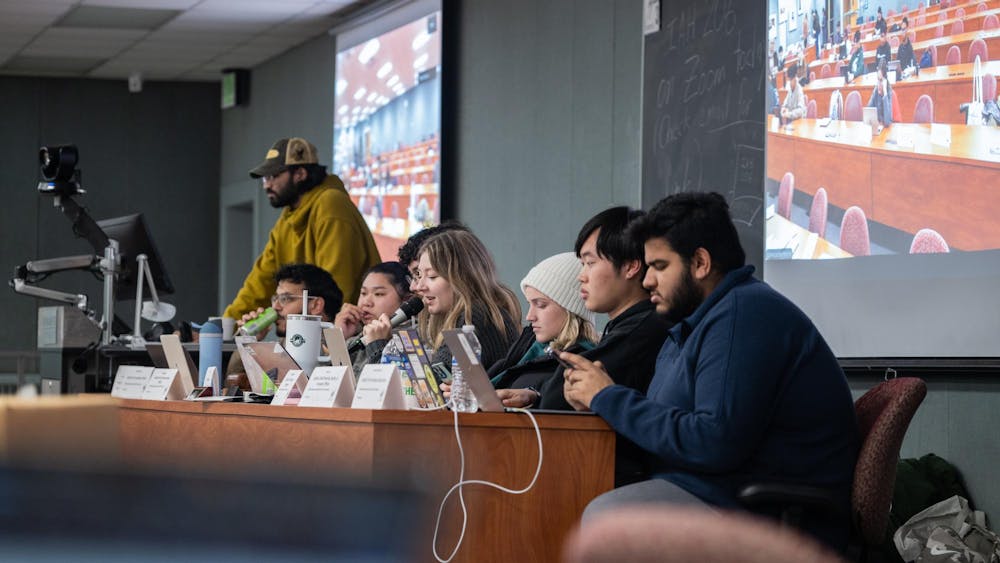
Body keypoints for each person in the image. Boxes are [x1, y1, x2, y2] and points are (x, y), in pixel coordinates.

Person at [561, 192, 859, 551]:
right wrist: (601, 403)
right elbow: (673, 425)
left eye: (659, 266)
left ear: (700, 263)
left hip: (763, 511)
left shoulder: (743, 316)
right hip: (717, 491)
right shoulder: (692, 325)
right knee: (573, 491)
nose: (648, 281)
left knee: (605, 520)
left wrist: (608, 397)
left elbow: (713, 443)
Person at [526, 207, 672, 486]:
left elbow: (558, 399)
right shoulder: (628, 324)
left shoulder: (643, 329)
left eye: (590, 263)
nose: (581, 276)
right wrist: (532, 393)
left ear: (630, 266)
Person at [222, 137, 380, 321]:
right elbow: (259, 283)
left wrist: (326, 341)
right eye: (265, 178)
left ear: (300, 174)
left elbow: (335, 289)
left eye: (274, 176)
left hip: (350, 335)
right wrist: (222, 328)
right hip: (314, 335)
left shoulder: (331, 205)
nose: (267, 185)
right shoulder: (288, 218)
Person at [363, 229, 520, 370]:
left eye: (431, 276)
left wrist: (378, 347)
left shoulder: (474, 318)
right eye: (418, 275)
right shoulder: (472, 314)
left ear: (461, 278)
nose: (417, 287)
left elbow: (428, 393)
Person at [488, 252, 599, 404]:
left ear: (570, 310)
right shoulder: (529, 344)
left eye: (540, 305)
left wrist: (533, 396)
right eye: (529, 304)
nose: (529, 316)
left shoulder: (583, 363)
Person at [227, 263, 344, 376]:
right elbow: (232, 383)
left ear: (316, 305)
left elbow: (345, 380)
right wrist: (248, 342)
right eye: (275, 299)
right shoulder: (282, 347)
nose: (275, 307)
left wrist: (337, 340)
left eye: (285, 299)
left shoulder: (346, 340)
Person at [333, 261, 413, 376]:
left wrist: (377, 344)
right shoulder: (357, 339)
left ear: (407, 300)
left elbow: (381, 387)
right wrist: (338, 337)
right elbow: (330, 384)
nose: (366, 302)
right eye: (363, 293)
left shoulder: (414, 339)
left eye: (379, 294)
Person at [868, 60, 894, 127]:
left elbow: (887, 121)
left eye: (881, 80)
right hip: (878, 127)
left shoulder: (889, 92)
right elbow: (868, 112)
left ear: (885, 80)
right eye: (878, 80)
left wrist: (884, 94)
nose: (878, 83)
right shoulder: (876, 90)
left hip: (887, 130)